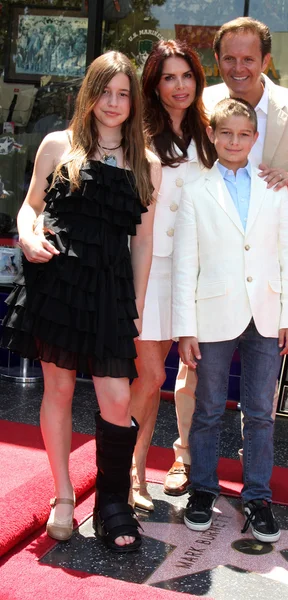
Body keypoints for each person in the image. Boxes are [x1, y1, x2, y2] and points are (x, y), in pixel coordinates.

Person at [165, 16, 288, 492]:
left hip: (273, 266)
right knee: (195, 373)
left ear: (266, 60)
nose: (238, 68)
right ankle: (187, 457)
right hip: (213, 270)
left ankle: (253, 469)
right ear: (217, 60)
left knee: (260, 395)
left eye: (248, 58)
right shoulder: (200, 103)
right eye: (228, 59)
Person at [0, 51, 161, 552]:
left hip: (111, 293)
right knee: (60, 389)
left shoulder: (146, 163)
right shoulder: (57, 145)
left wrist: (132, 307)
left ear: (134, 102)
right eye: (104, 91)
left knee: (116, 396)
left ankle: (112, 501)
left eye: (123, 94)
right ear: (88, 93)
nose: (113, 103)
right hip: (58, 286)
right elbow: (30, 207)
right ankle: (63, 496)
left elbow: (145, 245)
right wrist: (26, 238)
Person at [172, 98, 288, 542]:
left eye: (243, 134)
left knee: (261, 411)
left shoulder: (272, 189)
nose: (233, 141)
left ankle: (258, 497)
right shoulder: (196, 190)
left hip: (266, 314)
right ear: (211, 135)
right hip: (213, 314)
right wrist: (184, 327)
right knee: (208, 408)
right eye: (225, 133)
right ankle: (204, 489)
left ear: (254, 137)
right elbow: (185, 262)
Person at [128, 40, 216, 510]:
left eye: (186, 76)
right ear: (154, 84)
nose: (179, 86)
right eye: (168, 77)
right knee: (147, 376)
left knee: (192, 372)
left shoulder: (211, 133)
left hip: (201, 272)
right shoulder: (137, 134)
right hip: (153, 268)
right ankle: (134, 470)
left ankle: (186, 461)